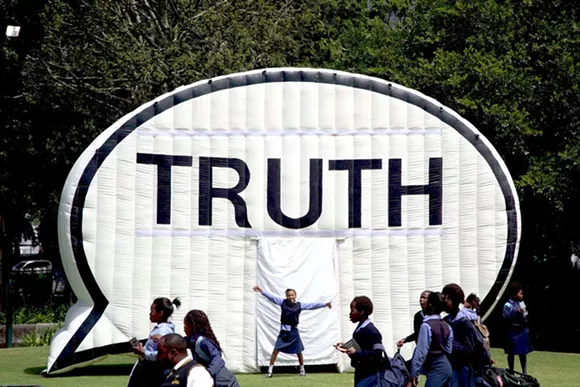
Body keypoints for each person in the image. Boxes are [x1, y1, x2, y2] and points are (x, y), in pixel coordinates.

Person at [253, 285, 332, 378]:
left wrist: (324, 304)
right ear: (286, 296)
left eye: (292, 295)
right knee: (275, 351)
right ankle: (270, 371)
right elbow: (272, 298)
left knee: (298, 351)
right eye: (289, 295)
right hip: (283, 332)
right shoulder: (282, 302)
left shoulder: (299, 305)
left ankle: (302, 369)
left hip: (294, 331)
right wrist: (262, 291)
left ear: (295, 296)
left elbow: (312, 305)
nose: (291, 297)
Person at [442, 283, 489, 387]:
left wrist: (449, 345)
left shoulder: (464, 323)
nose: (445, 301)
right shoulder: (445, 321)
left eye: (448, 298)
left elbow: (469, 348)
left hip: (464, 367)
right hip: (449, 366)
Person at [128, 297, 181, 387]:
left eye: (152, 311)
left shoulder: (162, 331)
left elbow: (162, 355)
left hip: (152, 372)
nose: (150, 314)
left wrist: (143, 352)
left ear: (160, 313)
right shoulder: (166, 328)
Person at [336, 296, 387, 387]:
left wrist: (356, 353)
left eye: (352, 310)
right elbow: (361, 346)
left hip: (371, 375)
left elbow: (377, 354)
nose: (350, 314)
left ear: (361, 312)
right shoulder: (360, 328)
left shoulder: (372, 331)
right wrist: (346, 347)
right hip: (361, 372)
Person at [184, 309, 240, 387]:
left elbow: (217, 359)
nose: (184, 329)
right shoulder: (192, 340)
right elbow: (179, 342)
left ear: (193, 326)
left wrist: (208, 373)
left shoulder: (203, 342)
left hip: (223, 380)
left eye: (185, 326)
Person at [408, 292, 453, 387]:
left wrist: (414, 373)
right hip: (446, 367)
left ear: (430, 305)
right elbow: (448, 349)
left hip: (435, 367)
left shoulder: (426, 325)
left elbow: (421, 352)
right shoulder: (447, 326)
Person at [502, 282, 533, 374]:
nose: (522, 295)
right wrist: (516, 313)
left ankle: (524, 372)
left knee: (523, 353)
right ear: (514, 294)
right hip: (512, 332)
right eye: (520, 293)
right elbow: (505, 318)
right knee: (511, 353)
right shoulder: (508, 305)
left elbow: (525, 316)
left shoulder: (521, 304)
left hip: (522, 331)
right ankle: (511, 371)